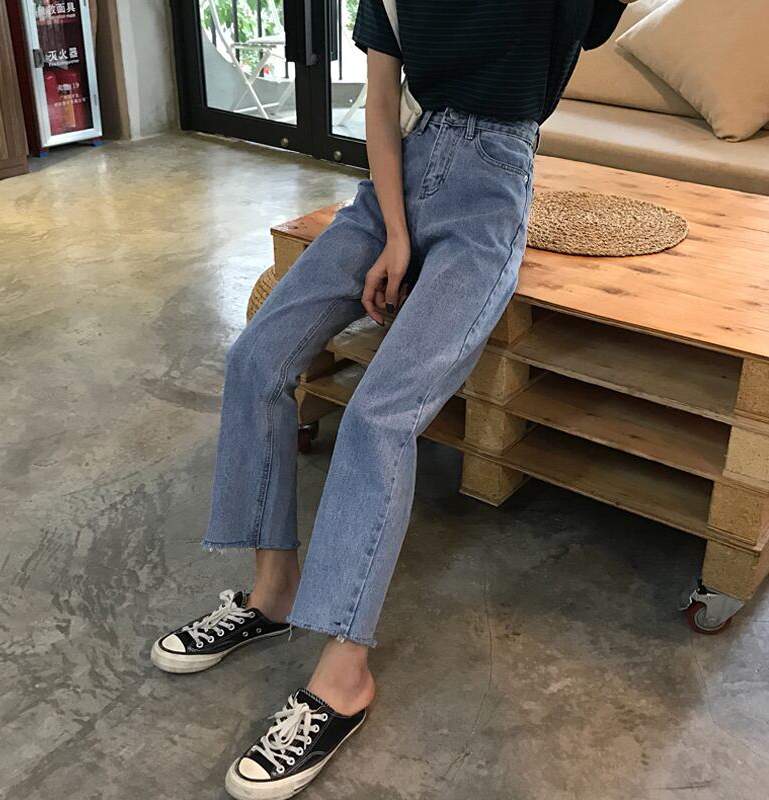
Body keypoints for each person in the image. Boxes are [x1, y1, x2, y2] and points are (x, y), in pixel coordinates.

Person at [152, 1, 637, 797]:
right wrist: (398, 235)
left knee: (379, 414)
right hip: (395, 181)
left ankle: (345, 678)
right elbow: (381, 101)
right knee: (255, 359)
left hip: (490, 192)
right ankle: (273, 594)